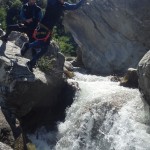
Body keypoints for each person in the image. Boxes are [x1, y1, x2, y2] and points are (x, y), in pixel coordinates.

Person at [21, 0, 85, 72]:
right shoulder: (52, 1)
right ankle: (29, 54)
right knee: (42, 45)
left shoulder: (64, 5)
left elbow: (74, 7)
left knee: (44, 48)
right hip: (43, 26)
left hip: (49, 29)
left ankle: (30, 58)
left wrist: (82, 1)